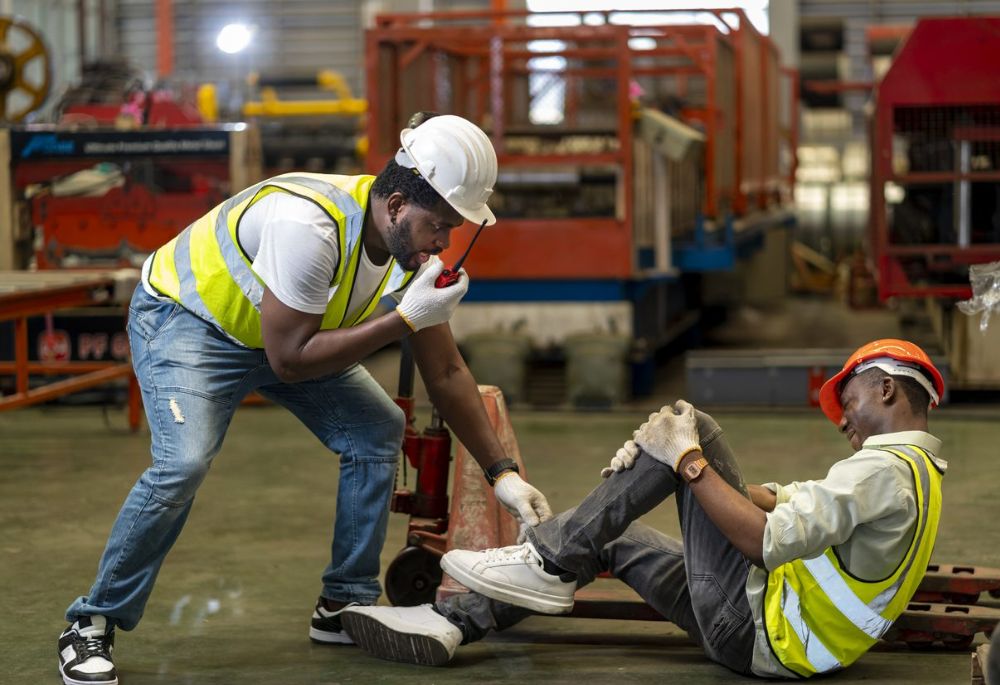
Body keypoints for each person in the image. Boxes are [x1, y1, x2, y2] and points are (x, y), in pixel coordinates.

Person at [57, 113, 553, 685]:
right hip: (190, 322)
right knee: (182, 464)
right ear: (396, 205)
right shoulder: (310, 226)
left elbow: (445, 370)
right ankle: (91, 621)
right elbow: (289, 361)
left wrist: (502, 474)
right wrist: (402, 319)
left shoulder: (407, 251)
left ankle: (343, 603)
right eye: (439, 225)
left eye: (454, 229)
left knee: (376, 428)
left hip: (280, 337)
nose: (444, 242)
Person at [341, 339, 946, 678]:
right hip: (774, 635)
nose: (843, 419)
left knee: (695, 425)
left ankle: (546, 559)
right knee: (615, 533)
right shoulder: (913, 473)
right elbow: (789, 500)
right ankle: (453, 622)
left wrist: (686, 458)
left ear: (886, 388)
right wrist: (667, 455)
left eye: (848, 401)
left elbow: (761, 541)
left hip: (758, 631)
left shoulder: (881, 471)